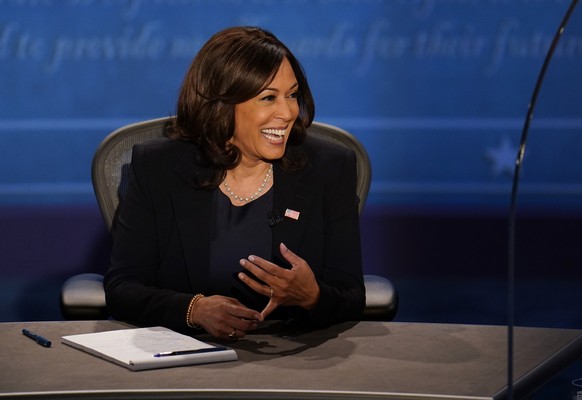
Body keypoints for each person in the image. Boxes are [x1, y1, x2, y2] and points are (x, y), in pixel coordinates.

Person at [104, 26, 365, 340]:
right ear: (222, 104)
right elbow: (123, 288)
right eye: (268, 98)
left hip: (294, 356)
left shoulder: (329, 167)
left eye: (292, 95)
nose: (287, 112)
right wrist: (193, 310)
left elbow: (352, 297)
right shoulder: (158, 168)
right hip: (185, 354)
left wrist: (312, 296)